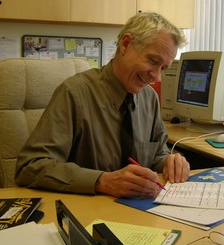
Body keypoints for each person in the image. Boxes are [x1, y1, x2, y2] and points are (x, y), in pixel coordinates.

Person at [15, 12, 190, 198]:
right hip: (88, 212)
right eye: (153, 61)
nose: (156, 77)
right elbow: (30, 166)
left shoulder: (150, 98)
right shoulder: (74, 93)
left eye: (163, 68)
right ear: (125, 44)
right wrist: (102, 181)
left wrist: (170, 163)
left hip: (139, 212)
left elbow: (156, 155)